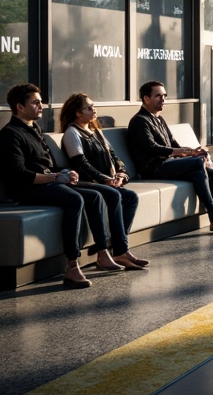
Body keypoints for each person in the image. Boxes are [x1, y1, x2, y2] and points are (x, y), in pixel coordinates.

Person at [0, 84, 126, 288]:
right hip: (29, 189)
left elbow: (48, 164)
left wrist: (64, 173)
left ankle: (102, 252)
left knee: (98, 195)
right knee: (75, 199)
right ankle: (72, 265)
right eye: (35, 102)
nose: (41, 106)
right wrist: (55, 177)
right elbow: (19, 176)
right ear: (19, 107)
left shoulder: (34, 128)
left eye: (41, 101)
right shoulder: (10, 134)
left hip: (49, 182)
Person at [128, 81, 213, 233]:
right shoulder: (140, 121)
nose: (163, 99)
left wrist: (192, 151)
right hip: (153, 167)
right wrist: (185, 154)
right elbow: (151, 148)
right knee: (197, 164)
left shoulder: (159, 119)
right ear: (146, 98)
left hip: (168, 163)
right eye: (158, 96)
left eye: (164, 95)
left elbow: (173, 142)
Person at [59, 93, 148, 270]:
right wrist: (104, 179)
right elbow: (81, 164)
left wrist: (122, 173)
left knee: (131, 197)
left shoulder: (96, 131)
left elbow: (115, 157)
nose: (94, 110)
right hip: (87, 183)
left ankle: (118, 248)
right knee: (115, 195)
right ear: (77, 113)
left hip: (105, 182)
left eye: (94, 106)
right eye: (89, 107)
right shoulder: (72, 133)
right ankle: (119, 250)